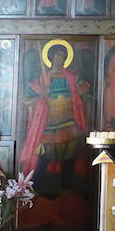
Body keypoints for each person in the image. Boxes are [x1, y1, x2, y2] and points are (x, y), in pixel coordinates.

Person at [19, 43, 90, 196]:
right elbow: (25, 101)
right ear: (50, 58)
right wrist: (41, 95)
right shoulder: (42, 79)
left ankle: (66, 194)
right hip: (47, 125)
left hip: (69, 125)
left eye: (63, 56)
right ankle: (36, 193)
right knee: (43, 158)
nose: (60, 59)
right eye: (57, 56)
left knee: (69, 160)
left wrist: (83, 91)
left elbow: (86, 95)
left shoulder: (72, 78)